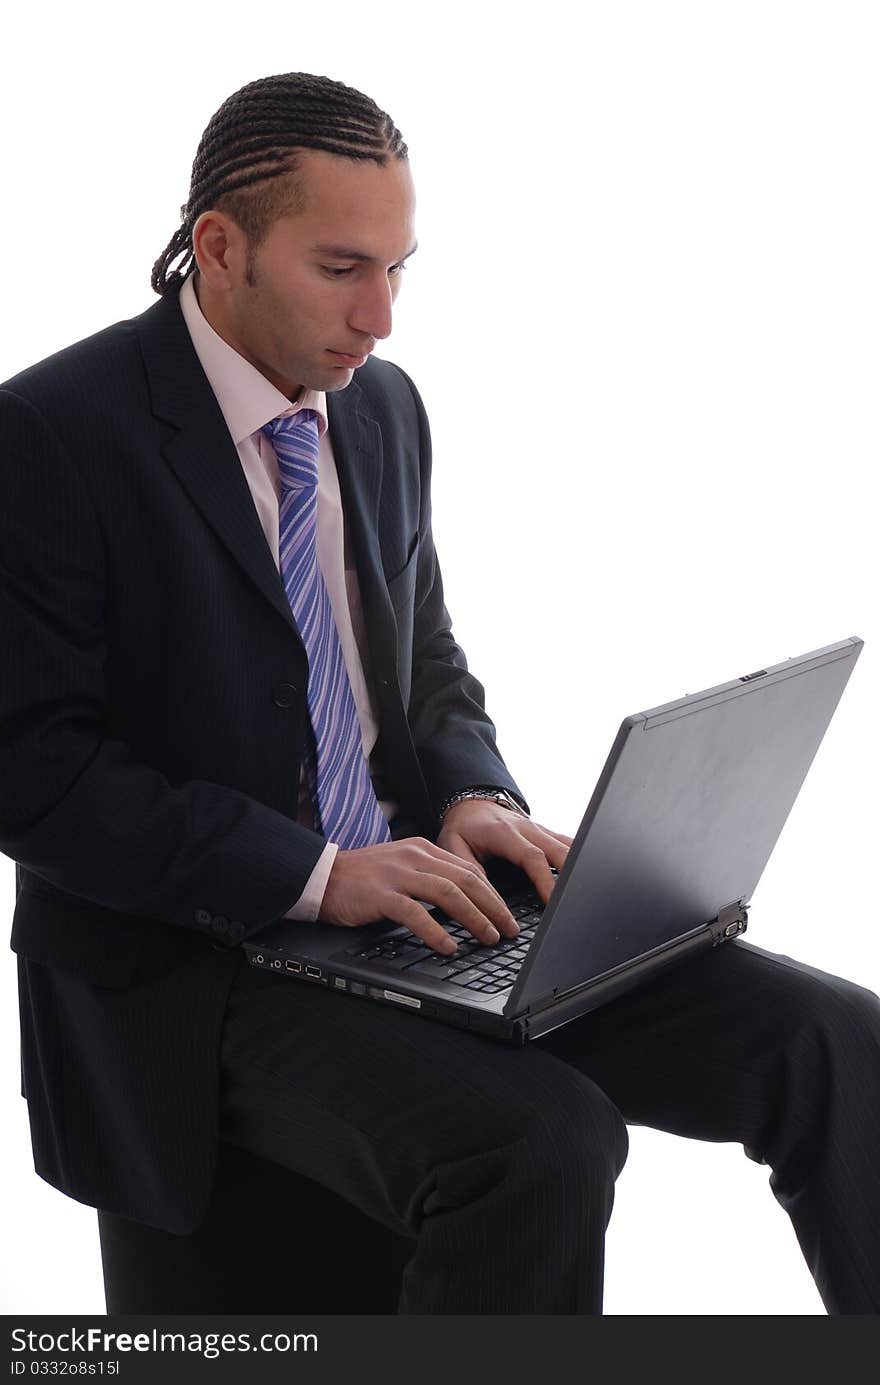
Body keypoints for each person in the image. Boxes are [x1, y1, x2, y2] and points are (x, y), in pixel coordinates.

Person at [1, 71, 878, 1316]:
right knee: (544, 1141)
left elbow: (424, 660)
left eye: (402, 268)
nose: (383, 316)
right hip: (199, 955)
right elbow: (34, 774)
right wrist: (319, 872)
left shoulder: (379, 410)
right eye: (345, 267)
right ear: (218, 245)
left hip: (413, 903)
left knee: (836, 1040)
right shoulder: (47, 436)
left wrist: (471, 789)